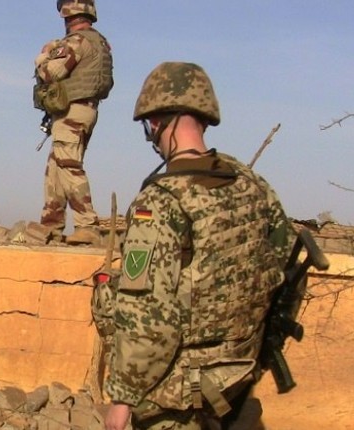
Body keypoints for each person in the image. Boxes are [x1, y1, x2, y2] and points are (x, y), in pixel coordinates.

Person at [104, 62, 293, 430]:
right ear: (204, 118)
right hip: (237, 381)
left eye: (149, 127)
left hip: (177, 403)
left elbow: (151, 316)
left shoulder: (159, 202)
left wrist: (122, 398)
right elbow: (282, 267)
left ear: (158, 122)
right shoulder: (253, 184)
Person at [33, 0, 114, 245]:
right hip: (85, 110)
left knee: (68, 165)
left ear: (66, 14)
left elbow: (50, 73)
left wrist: (44, 55)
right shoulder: (101, 42)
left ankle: (87, 225)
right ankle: (51, 225)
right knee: (56, 167)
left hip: (73, 112)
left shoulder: (77, 41)